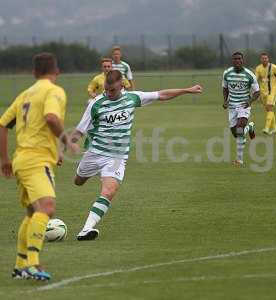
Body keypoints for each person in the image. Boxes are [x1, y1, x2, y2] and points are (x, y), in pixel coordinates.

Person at [69, 70, 202, 241]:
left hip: (116, 157)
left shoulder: (132, 98)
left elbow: (161, 95)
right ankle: (90, 173)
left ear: (122, 85)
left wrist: (187, 90)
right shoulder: (96, 103)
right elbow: (80, 130)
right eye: (106, 90)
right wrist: (67, 146)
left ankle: (86, 229)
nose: (108, 94)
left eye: (112, 90)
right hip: (94, 153)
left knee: (109, 191)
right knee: (78, 181)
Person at [0, 53, 70, 280]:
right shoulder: (54, 91)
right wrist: (65, 139)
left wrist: (5, 160)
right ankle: (33, 263)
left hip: (21, 160)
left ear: (33, 73)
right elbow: (51, 118)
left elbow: (2, 124)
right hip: (37, 160)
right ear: (56, 71)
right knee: (47, 207)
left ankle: (20, 266)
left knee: (32, 212)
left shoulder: (25, 94)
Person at [222, 52, 259, 166]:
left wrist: (249, 101)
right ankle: (250, 127)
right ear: (232, 61)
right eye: (235, 59)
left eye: (239, 59)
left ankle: (239, 160)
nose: (237, 61)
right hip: (232, 107)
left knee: (239, 129)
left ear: (243, 60)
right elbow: (225, 88)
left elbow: (257, 92)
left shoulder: (249, 75)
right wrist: (225, 100)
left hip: (244, 106)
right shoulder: (227, 73)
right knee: (237, 134)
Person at [255, 52, 276, 135]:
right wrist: (257, 93)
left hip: (272, 92)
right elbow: (255, 81)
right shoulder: (258, 68)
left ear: (268, 59)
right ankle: (274, 129)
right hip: (263, 93)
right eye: (263, 58)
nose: (264, 60)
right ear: (260, 59)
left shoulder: (274, 68)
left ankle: (266, 128)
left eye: (266, 58)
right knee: (269, 110)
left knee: (269, 108)